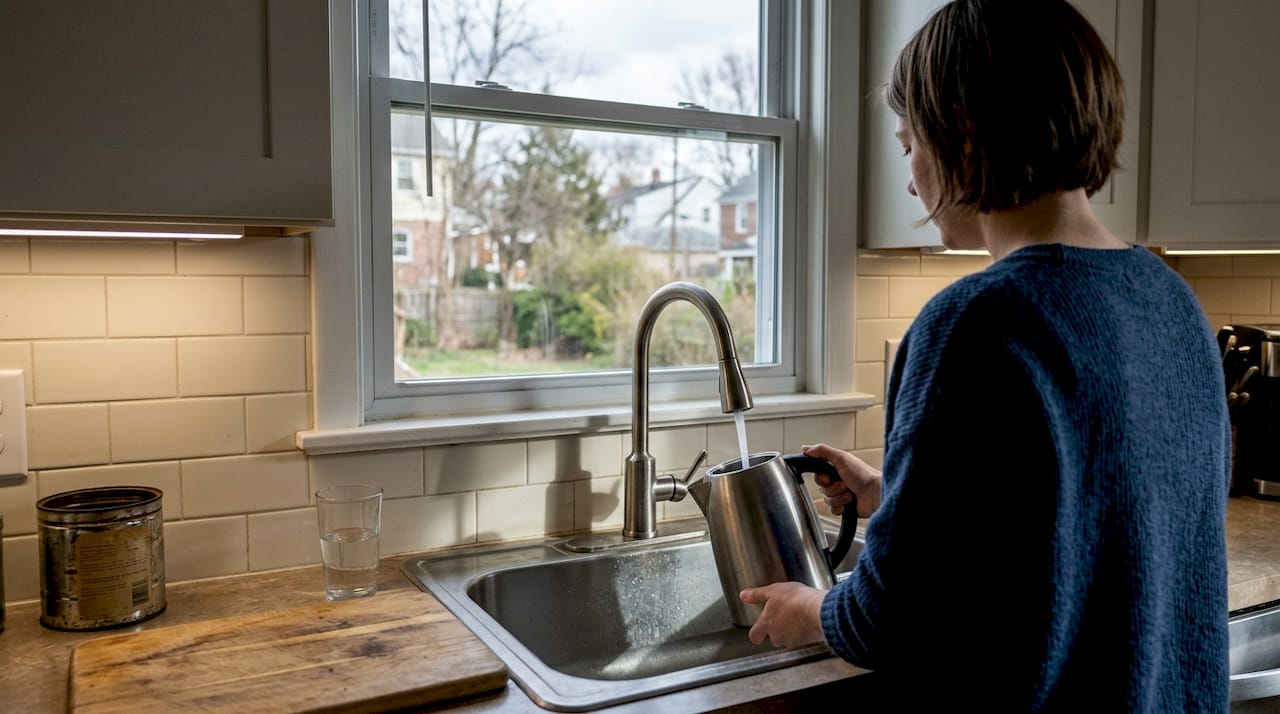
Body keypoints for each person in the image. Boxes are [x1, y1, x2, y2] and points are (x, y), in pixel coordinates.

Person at [739, 0, 1231, 711]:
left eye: (910, 144)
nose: (910, 179)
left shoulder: (974, 322)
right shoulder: (1168, 298)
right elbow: (1099, 512)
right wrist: (895, 501)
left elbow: (893, 617)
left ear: (962, 133)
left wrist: (809, 611)